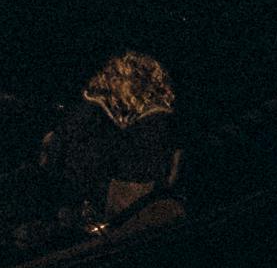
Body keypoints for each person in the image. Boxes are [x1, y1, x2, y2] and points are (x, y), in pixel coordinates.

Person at [43, 51, 179, 225]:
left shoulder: (150, 125)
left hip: (134, 225)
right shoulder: (154, 123)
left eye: (114, 80)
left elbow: (135, 187)